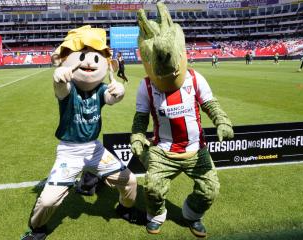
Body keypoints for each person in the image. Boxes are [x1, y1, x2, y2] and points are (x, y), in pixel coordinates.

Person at [21, 26, 143, 240]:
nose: (88, 62)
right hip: (69, 152)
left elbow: (111, 98)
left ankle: (125, 208)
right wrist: (58, 76)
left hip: (94, 149)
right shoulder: (70, 89)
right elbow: (61, 88)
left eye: (95, 58)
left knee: (130, 180)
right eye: (83, 57)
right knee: (49, 201)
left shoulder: (100, 90)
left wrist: (120, 93)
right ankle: (37, 229)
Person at [133, 3, 234, 238]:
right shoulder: (145, 86)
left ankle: (192, 215)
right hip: (163, 151)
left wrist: (222, 121)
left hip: (195, 149)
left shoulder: (195, 78)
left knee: (210, 190)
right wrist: (137, 136)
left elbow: (211, 105)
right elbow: (140, 119)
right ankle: (157, 215)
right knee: (153, 189)